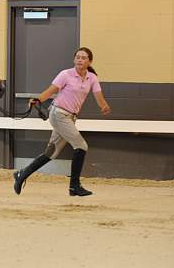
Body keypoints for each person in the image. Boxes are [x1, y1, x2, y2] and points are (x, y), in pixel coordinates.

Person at [13, 47, 111, 196]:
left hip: (70, 117)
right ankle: (74, 186)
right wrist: (38, 100)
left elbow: (98, 95)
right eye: (77, 57)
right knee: (81, 146)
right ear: (74, 59)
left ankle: (22, 174)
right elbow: (51, 90)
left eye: (83, 58)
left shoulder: (92, 78)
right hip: (59, 114)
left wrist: (104, 106)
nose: (80, 59)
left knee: (51, 153)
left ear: (89, 61)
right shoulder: (65, 74)